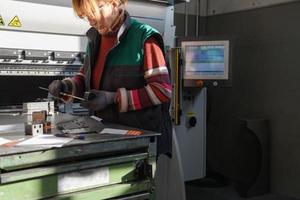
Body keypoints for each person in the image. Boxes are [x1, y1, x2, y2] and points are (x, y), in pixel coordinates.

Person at [48, 0, 172, 156]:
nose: (91, 21)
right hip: (106, 137)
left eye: (93, 13)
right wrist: (67, 87)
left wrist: (112, 98)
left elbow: (162, 91)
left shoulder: (144, 37)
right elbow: (85, 76)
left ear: (113, 4)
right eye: (86, 16)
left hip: (141, 143)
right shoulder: (95, 39)